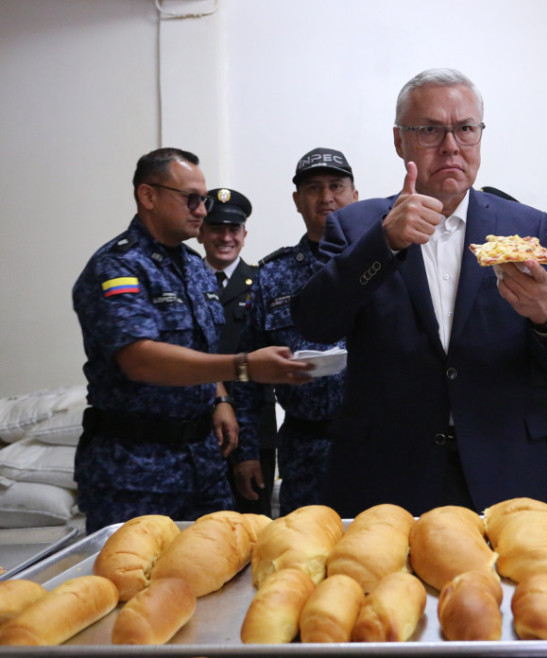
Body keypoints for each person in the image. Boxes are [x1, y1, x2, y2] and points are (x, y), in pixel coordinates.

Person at [290, 68, 547, 517]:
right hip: (386, 474)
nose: (451, 145)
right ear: (399, 141)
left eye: (465, 129)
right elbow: (313, 321)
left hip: (504, 470)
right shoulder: (356, 227)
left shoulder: (526, 227)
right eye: (430, 130)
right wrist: (384, 242)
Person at [72, 147, 312, 533]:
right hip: (136, 469)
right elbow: (140, 358)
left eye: (202, 200)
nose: (202, 210)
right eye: (192, 199)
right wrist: (244, 366)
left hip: (203, 462)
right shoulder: (117, 267)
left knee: (217, 569)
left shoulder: (192, 267)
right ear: (148, 196)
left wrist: (219, 396)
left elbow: (200, 348)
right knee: (135, 584)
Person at [231, 148, 358, 516]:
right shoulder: (272, 275)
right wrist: (248, 453)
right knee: (301, 553)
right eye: (314, 188)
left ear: (355, 195)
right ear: (297, 200)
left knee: (377, 551)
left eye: (336, 186)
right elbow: (248, 374)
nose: (326, 197)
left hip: (376, 443)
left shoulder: (385, 264)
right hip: (304, 447)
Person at [197, 188, 278, 515]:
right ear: (201, 232)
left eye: (234, 230)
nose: (226, 237)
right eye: (217, 228)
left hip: (253, 429)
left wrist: (251, 449)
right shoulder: (184, 281)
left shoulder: (262, 282)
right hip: (196, 427)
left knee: (254, 526)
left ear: (244, 235)